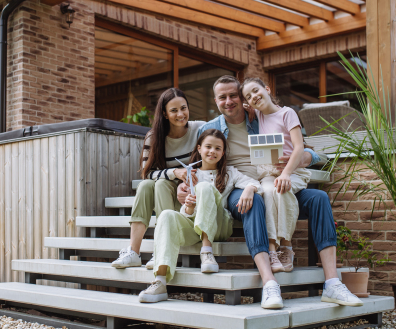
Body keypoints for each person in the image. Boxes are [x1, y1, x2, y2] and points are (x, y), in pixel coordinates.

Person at [185, 75, 363, 307]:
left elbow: (311, 151)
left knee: (319, 198)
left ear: (243, 99)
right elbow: (196, 162)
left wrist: (302, 160)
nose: (228, 101)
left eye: (233, 96)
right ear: (216, 100)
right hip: (239, 187)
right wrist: (186, 186)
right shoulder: (211, 128)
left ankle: (332, 282)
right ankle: (269, 282)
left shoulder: (262, 117)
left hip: (275, 180)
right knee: (254, 201)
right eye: (222, 97)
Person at [138, 130, 285, 308]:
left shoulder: (230, 173)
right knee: (166, 215)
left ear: (223, 153)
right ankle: (160, 281)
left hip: (221, 225)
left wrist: (249, 189)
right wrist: (190, 207)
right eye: (208, 147)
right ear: (199, 148)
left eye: (218, 148)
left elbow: (256, 184)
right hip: (196, 228)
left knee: (205, 188)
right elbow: (187, 214)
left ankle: (207, 252)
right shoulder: (189, 175)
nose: (212, 151)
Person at [111, 88, 205, 269]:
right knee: (146, 185)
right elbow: (147, 172)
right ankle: (134, 251)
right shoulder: (154, 136)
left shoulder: (199, 129)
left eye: (183, 108)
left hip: (189, 198)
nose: (180, 114)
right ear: (164, 113)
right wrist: (174, 173)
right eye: (174, 110)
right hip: (167, 195)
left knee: (161, 182)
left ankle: (162, 248)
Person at [241, 77, 311, 273]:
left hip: (293, 171)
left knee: (281, 189)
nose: (254, 97)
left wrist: (286, 173)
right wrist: (246, 104)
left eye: (256, 91)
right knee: (269, 189)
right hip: (269, 172)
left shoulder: (287, 113)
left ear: (268, 89)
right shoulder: (258, 115)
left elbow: (299, 147)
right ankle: (272, 249)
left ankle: (286, 247)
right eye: (249, 96)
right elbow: (242, 106)